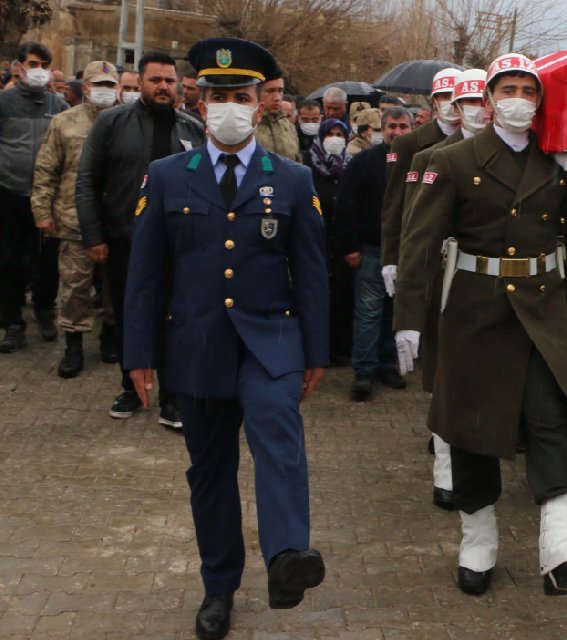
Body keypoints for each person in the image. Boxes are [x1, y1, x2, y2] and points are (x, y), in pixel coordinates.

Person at [124, 37, 329, 640]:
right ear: (199, 101)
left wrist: (316, 351)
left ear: (260, 106)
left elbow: (311, 272)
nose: (229, 107)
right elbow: (144, 276)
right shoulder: (166, 177)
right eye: (217, 97)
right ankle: (219, 587)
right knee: (209, 474)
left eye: (241, 96)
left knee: (278, 436)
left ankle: (288, 557)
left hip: (271, 342)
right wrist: (138, 355)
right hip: (198, 346)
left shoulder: (290, 179)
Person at [392, 52, 567, 598]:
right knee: (471, 429)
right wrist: (409, 321)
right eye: (507, 89)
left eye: (528, 90)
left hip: (542, 307)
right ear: (488, 99)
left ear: (540, 100)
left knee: (551, 417)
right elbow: (419, 240)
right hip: (475, 307)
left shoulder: (554, 157)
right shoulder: (452, 158)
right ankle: (478, 537)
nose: (518, 99)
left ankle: (562, 545)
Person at [76, 50, 205, 426]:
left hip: (179, 245)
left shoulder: (191, 129)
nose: (163, 87)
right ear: (140, 83)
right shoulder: (112, 124)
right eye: (155, 80)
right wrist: (93, 235)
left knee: (175, 317)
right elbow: (87, 182)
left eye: (169, 81)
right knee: (127, 314)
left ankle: (172, 395)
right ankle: (131, 388)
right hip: (123, 239)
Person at [392, 67, 484, 512]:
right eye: (463, 101)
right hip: (445, 276)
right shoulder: (430, 155)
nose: (470, 110)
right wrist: (401, 270)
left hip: (488, 281)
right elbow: (412, 223)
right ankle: (445, 464)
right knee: (445, 373)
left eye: (473, 100)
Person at [31, 60, 119, 377]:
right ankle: (73, 345)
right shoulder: (63, 122)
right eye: (98, 85)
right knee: (74, 288)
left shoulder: (127, 122)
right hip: (72, 220)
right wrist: (42, 211)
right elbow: (45, 170)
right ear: (85, 87)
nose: (104, 91)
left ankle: (110, 337)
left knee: (114, 288)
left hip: (116, 222)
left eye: (110, 86)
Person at [333, 106, 412, 400]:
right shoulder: (365, 162)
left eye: (404, 126)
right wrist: (349, 247)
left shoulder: (420, 162)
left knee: (395, 312)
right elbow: (346, 205)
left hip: (405, 251)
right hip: (369, 249)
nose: (398, 132)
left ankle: (387, 364)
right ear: (382, 129)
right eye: (392, 126)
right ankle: (364, 369)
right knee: (368, 312)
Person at [0, 42, 68, 353]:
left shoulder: (60, 107)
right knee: (10, 259)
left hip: (48, 198)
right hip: (11, 193)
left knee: (47, 260)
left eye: (44, 64)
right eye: (32, 64)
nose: (38, 70)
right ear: (20, 66)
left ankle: (44, 310)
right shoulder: (5, 103)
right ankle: (13, 322)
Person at [379, 67, 461, 298]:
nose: (451, 102)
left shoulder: (478, 141)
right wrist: (390, 257)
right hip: (423, 247)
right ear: (434, 100)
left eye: (456, 95)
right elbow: (394, 203)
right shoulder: (408, 143)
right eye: (444, 96)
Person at [309, 117, 354, 363]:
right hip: (317, 241)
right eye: (330, 134)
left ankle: (341, 348)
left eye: (340, 134)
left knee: (342, 297)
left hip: (343, 244)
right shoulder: (309, 165)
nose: (335, 139)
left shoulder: (350, 165)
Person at [255, 72, 301, 162]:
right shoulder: (247, 126)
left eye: (280, 91)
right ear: (256, 92)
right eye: (270, 91)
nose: (277, 98)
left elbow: (298, 161)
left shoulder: (288, 126)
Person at [296, 99, 323, 166]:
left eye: (314, 120)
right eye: (305, 120)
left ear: (320, 118)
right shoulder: (291, 135)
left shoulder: (326, 135)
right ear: (298, 118)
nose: (310, 123)